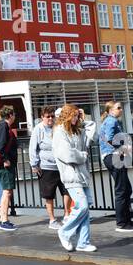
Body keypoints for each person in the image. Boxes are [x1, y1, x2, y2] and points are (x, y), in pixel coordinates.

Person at [53, 106, 97, 252]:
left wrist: (83, 119)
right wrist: (82, 156)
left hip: (81, 175)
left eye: (77, 116)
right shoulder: (60, 132)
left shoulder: (75, 130)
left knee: (85, 210)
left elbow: (91, 131)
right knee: (82, 205)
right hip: (71, 175)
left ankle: (83, 242)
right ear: (66, 116)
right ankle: (64, 232)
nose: (76, 118)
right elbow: (66, 154)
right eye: (74, 116)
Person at [30, 106, 72, 229]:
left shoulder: (58, 128)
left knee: (66, 190)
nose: (50, 118)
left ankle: (67, 214)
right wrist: (34, 164)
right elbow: (33, 147)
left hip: (61, 165)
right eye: (47, 116)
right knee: (49, 194)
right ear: (42, 117)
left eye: (52, 116)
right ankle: (52, 220)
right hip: (46, 166)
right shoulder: (38, 129)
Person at [99, 100, 133, 232]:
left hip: (111, 156)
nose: (121, 110)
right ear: (110, 111)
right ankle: (122, 223)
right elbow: (110, 139)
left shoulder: (109, 121)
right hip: (114, 156)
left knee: (126, 189)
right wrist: (124, 147)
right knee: (122, 190)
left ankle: (126, 220)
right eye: (118, 108)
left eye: (121, 108)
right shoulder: (111, 121)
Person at [0, 106, 19, 231]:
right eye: (14, 114)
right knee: (7, 192)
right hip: (5, 165)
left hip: (5, 164)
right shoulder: (4, 126)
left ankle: (3, 219)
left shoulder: (1, 125)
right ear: (11, 115)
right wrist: (5, 159)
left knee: (6, 192)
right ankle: (4, 221)